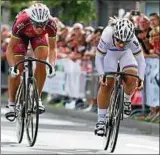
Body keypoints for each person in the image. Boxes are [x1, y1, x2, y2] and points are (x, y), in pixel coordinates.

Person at [94, 17, 146, 136]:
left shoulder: (132, 39)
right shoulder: (107, 34)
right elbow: (99, 57)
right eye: (119, 41)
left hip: (126, 55)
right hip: (109, 55)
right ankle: (101, 121)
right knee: (107, 84)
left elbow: (141, 61)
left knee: (132, 76)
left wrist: (141, 78)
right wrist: (101, 74)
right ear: (114, 35)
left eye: (125, 42)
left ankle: (127, 100)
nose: (121, 44)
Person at [5, 3, 57, 120]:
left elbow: (53, 48)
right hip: (21, 37)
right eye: (37, 25)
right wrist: (12, 67)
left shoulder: (52, 23)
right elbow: (9, 49)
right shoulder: (22, 21)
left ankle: (37, 98)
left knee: (42, 61)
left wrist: (52, 65)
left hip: (39, 39)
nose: (40, 28)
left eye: (43, 25)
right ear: (32, 21)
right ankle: (12, 103)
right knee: (18, 67)